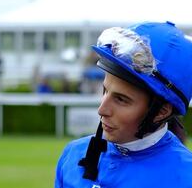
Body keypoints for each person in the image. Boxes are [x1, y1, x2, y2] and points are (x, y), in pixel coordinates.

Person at [55, 21, 192, 187]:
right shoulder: (73, 154)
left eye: (121, 99)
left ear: (161, 111)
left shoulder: (185, 178)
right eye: (105, 91)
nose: (102, 110)